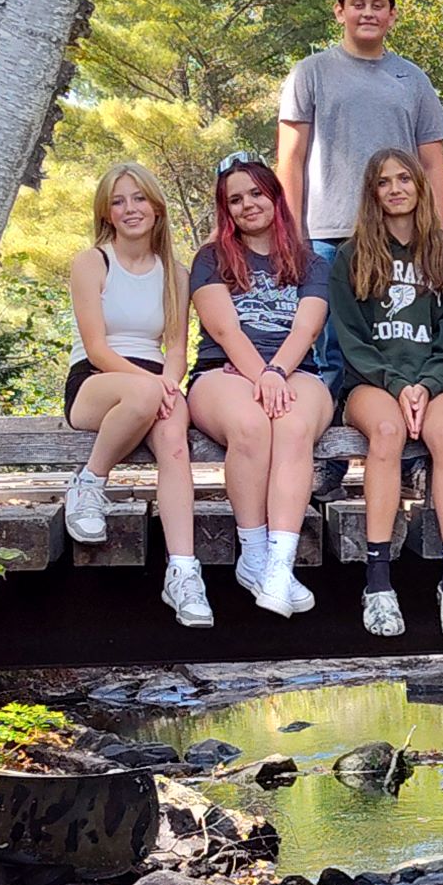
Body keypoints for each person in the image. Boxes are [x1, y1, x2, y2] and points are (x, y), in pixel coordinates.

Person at [276, 0, 443, 392]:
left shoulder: (412, 79)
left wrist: (438, 235)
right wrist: (291, 233)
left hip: (400, 236)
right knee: (331, 347)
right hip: (329, 233)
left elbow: (432, 165)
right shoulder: (310, 73)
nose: (367, 13)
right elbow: (291, 159)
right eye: (357, 4)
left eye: (378, 5)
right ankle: (329, 456)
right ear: (339, 12)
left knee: (397, 341)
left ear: (392, 15)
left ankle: (405, 449)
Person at [326, 149, 443, 639]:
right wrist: (396, 385)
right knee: (388, 432)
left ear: (419, 187)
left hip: (438, 383)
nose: (395, 189)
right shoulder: (352, 257)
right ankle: (378, 583)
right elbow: (350, 338)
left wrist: (427, 385)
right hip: (371, 383)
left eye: (404, 179)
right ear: (372, 194)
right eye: (384, 182)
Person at [185, 152, 336, 619]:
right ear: (225, 210)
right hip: (223, 370)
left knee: (292, 428)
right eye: (235, 199)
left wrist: (276, 374)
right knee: (250, 424)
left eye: (256, 193)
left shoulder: (310, 261)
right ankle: (252, 554)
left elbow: (306, 330)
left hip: (295, 371)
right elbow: (225, 330)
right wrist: (260, 375)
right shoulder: (210, 259)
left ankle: (279, 567)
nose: (248, 204)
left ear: (274, 196)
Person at [61, 163, 208, 627]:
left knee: (175, 443)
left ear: (157, 206)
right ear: (106, 211)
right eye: (119, 201)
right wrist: (153, 386)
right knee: (146, 397)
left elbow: (178, 347)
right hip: (96, 380)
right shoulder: (92, 262)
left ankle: (183, 571)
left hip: (154, 381)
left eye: (139, 198)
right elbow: (98, 347)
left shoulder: (176, 274)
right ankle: (88, 484)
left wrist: (169, 383)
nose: (130, 209)